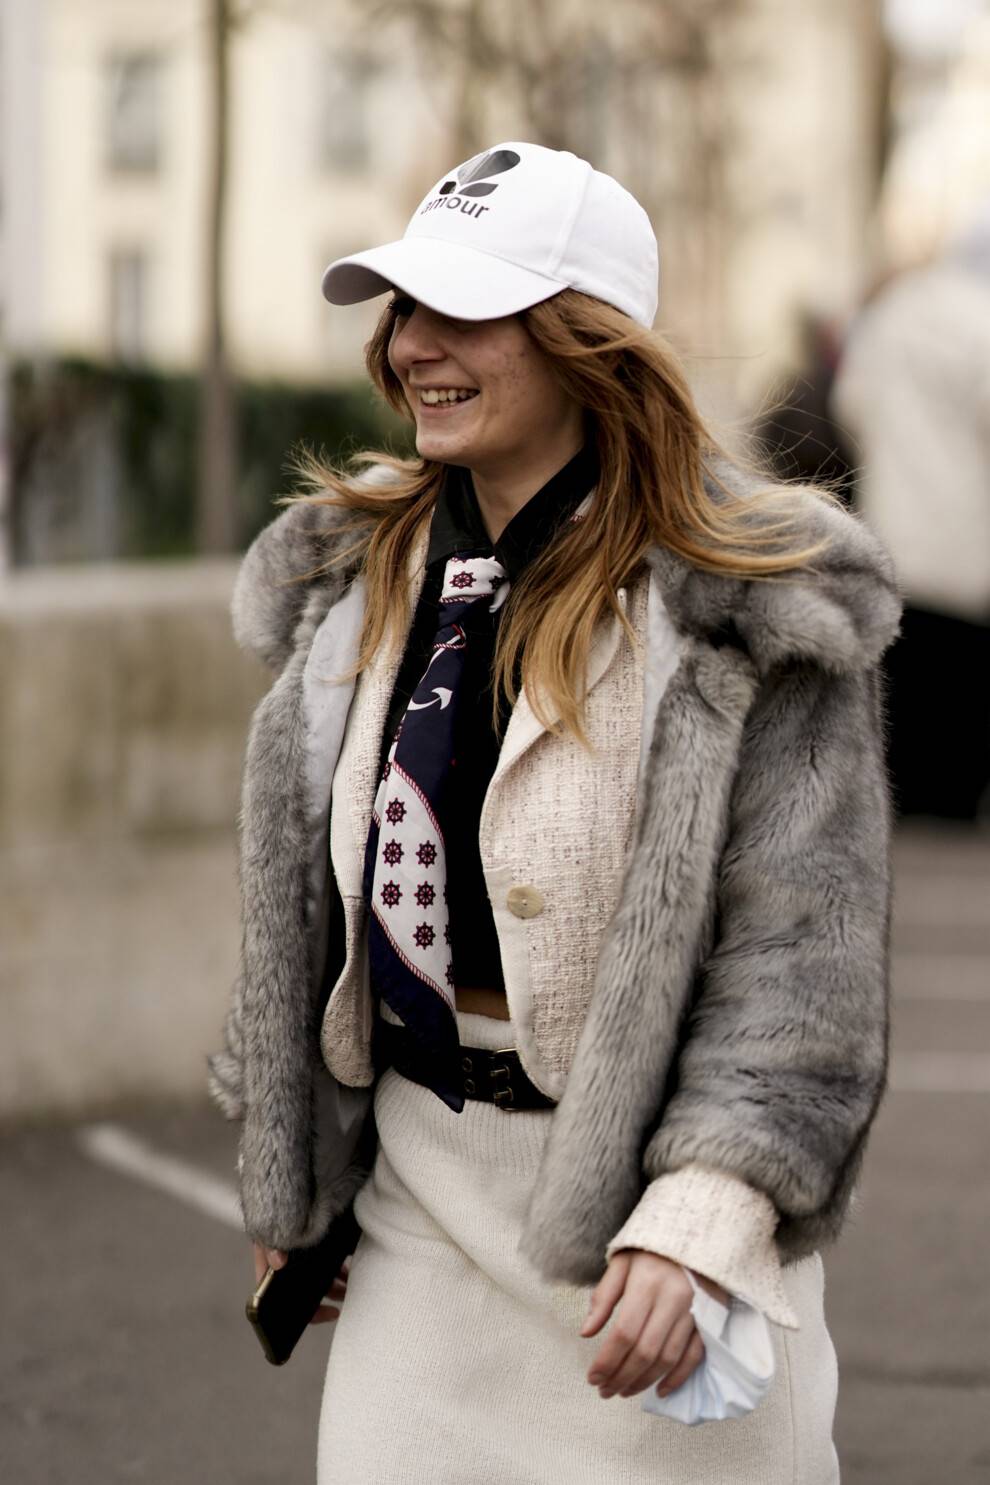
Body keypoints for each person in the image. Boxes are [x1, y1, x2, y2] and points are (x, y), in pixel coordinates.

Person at [208, 142, 901, 1483]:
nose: (412, 344)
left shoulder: (750, 604)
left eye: (465, 309)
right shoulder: (352, 579)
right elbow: (305, 916)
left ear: (587, 339)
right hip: (416, 1230)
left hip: (652, 1259)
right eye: (405, 306)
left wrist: (703, 1219)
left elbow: (800, 974)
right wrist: (294, 1164)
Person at [831, 201, 990, 822]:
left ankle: (907, 802)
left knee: (906, 687)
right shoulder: (982, 322)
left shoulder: (890, 316)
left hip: (895, 532)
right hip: (969, 541)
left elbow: (849, 406)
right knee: (965, 686)